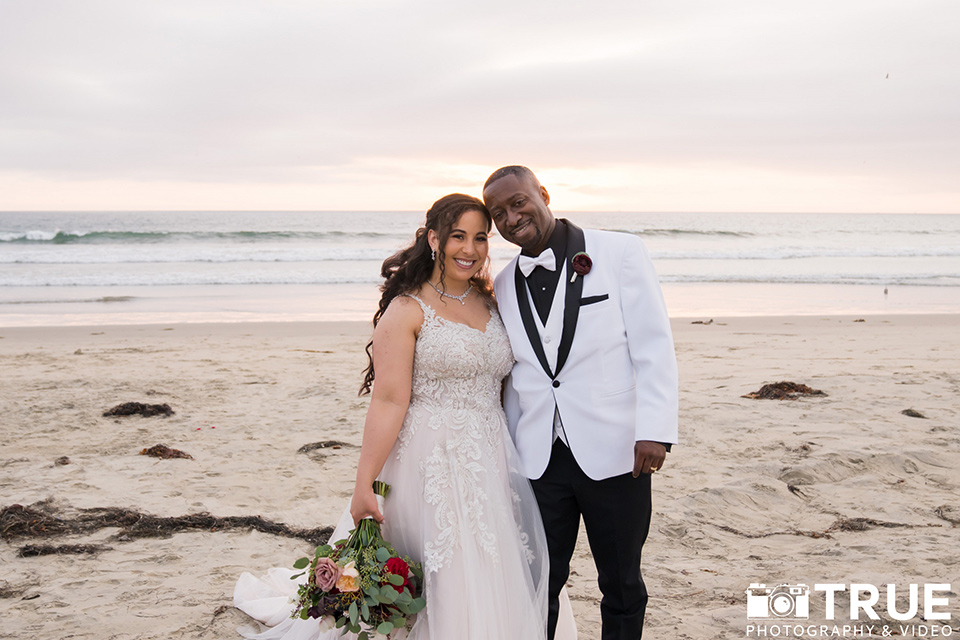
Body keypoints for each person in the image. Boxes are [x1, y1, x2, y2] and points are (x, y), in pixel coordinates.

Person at [234, 194, 561, 639]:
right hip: (429, 458)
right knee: (442, 565)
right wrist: (364, 483)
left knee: (492, 560)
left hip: (491, 454)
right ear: (433, 239)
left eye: (480, 238)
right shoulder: (408, 309)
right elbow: (388, 400)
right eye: (458, 236)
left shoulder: (492, 300)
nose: (470, 249)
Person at [483, 166, 679, 640]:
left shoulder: (619, 251)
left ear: (543, 194)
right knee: (539, 581)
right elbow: (520, 374)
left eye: (519, 203)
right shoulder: (506, 283)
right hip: (540, 458)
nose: (512, 218)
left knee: (621, 581)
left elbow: (653, 345)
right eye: (499, 214)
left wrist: (654, 430)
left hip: (616, 451)